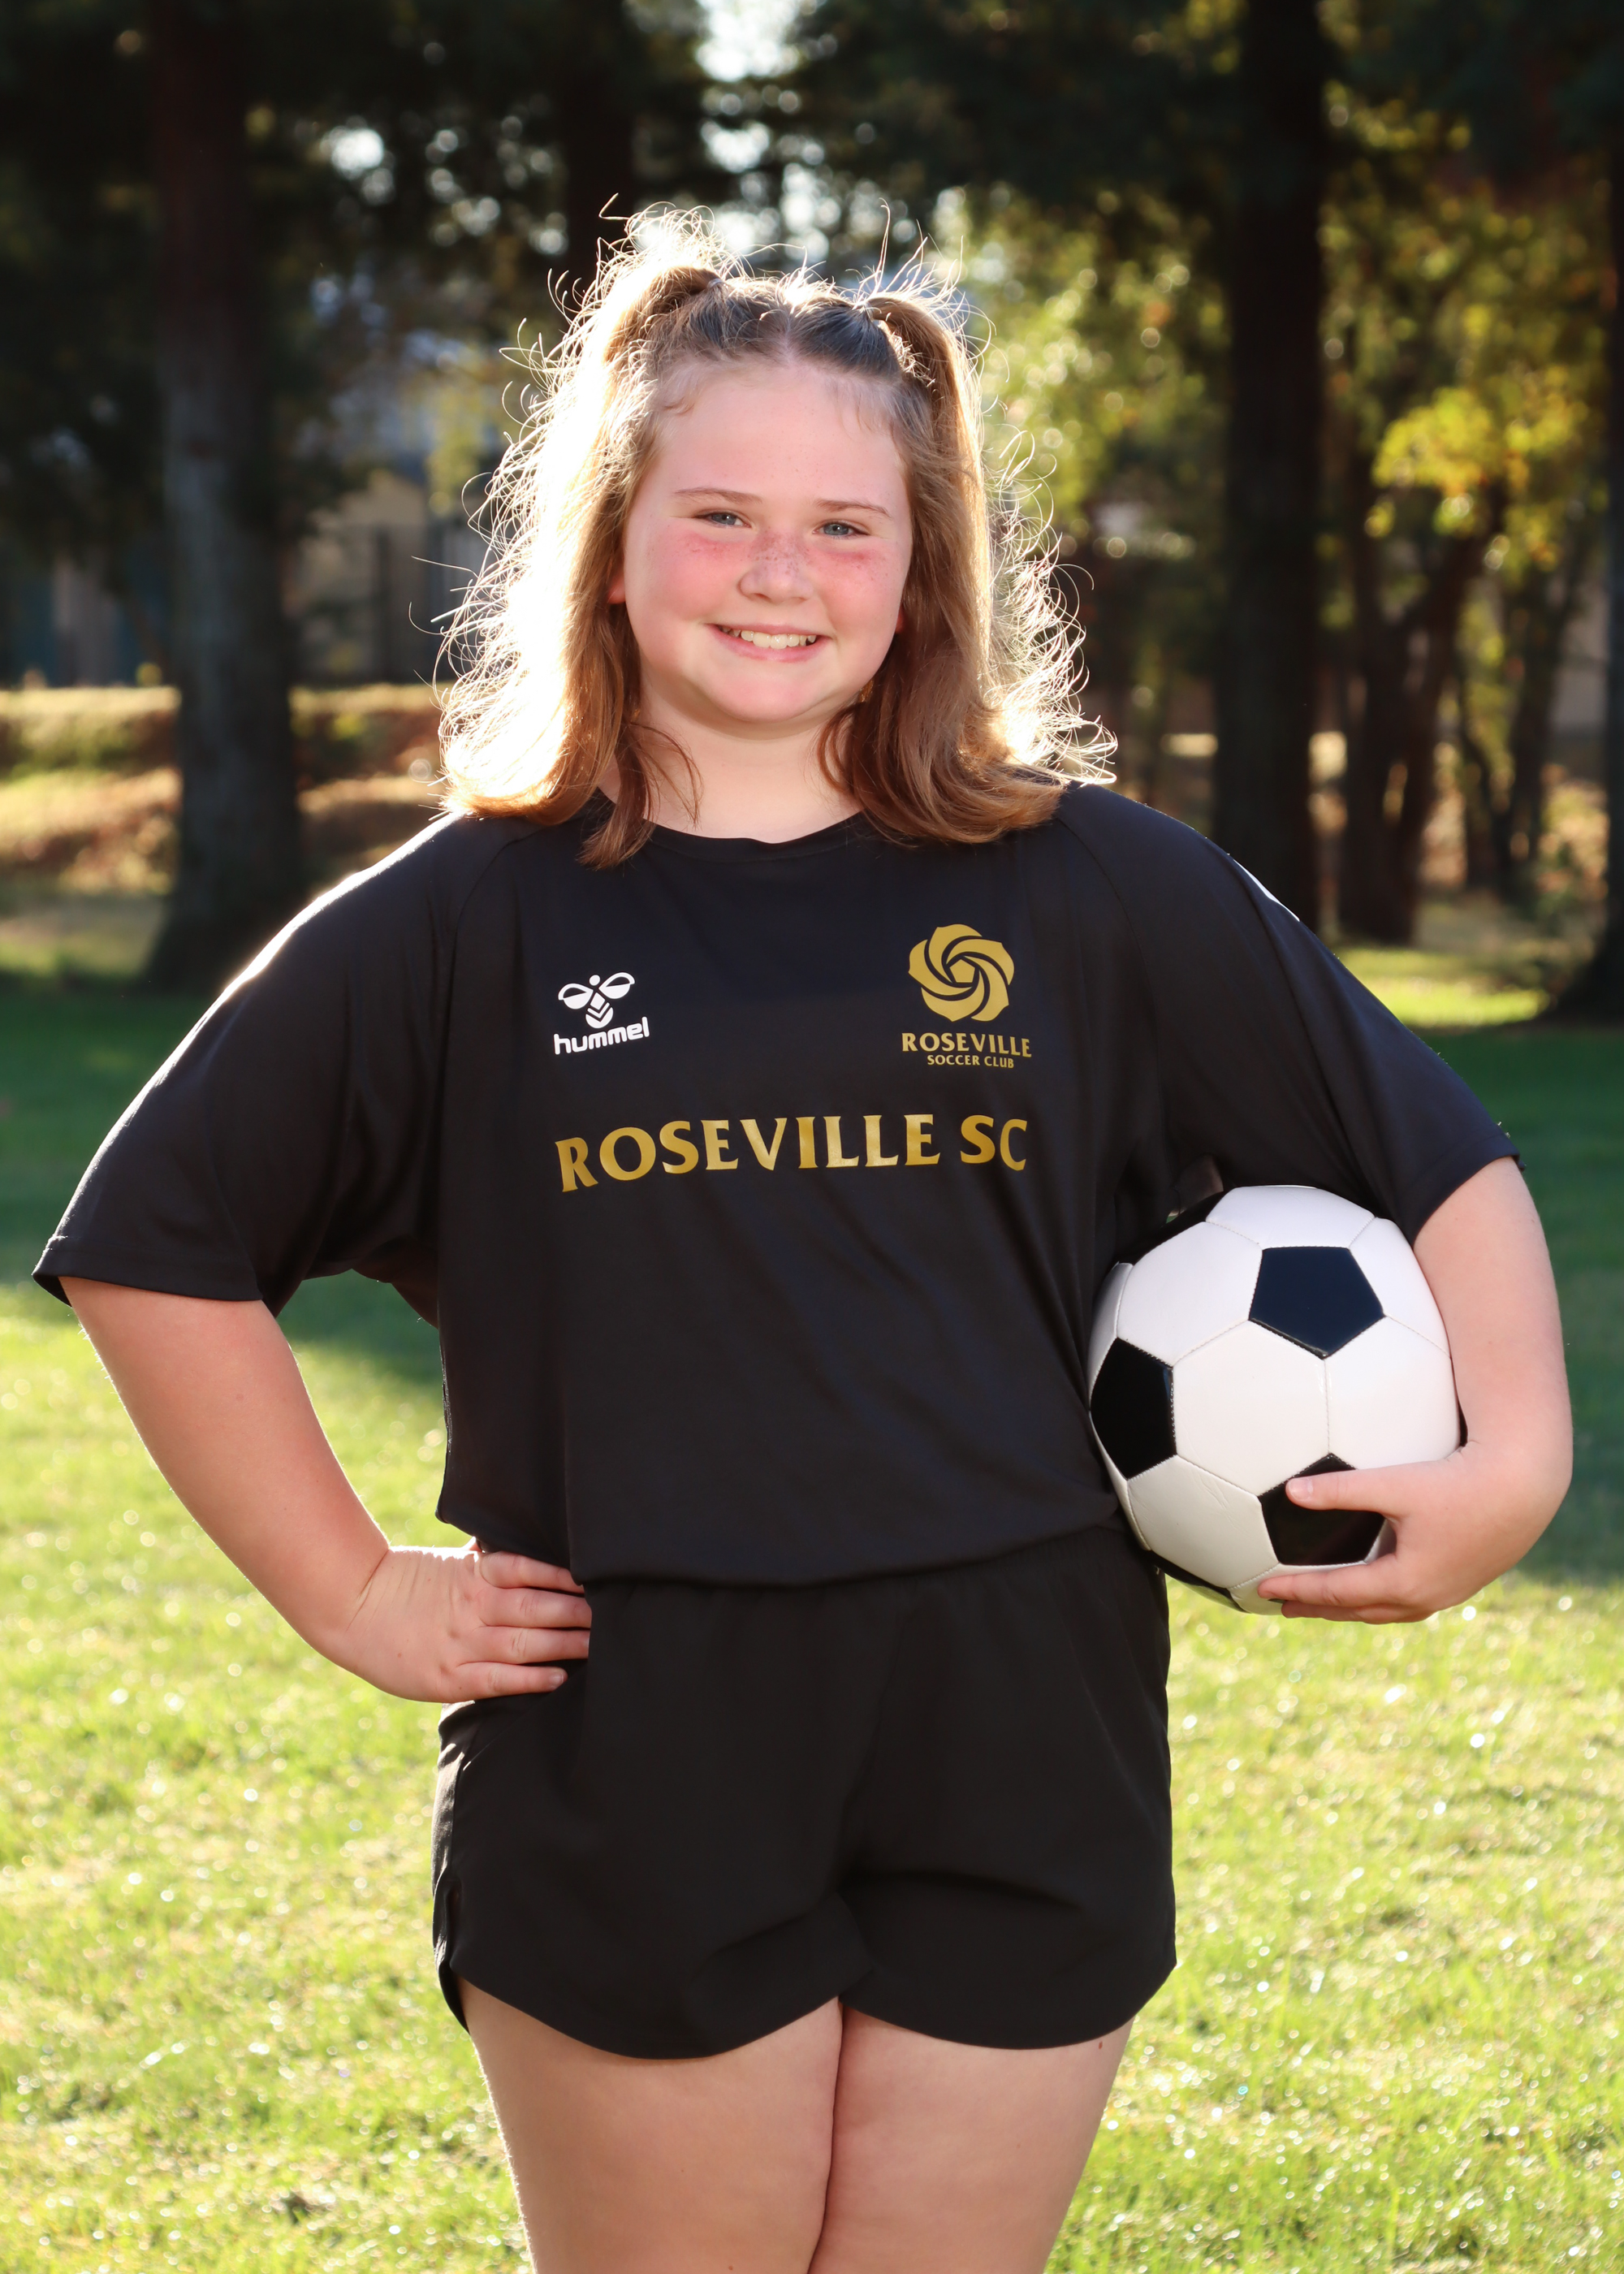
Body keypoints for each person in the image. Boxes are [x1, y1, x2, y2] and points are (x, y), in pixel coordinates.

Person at [38, 226, 1570, 2274]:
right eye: (722, 515)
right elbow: (160, 1241)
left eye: (846, 525)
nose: (783, 571)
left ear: (923, 567)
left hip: (1024, 1720)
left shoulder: (1090, 883)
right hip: (642, 1732)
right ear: (610, 544)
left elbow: (1433, 1154)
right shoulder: (468, 915)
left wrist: (1515, 1461)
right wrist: (351, 1585)